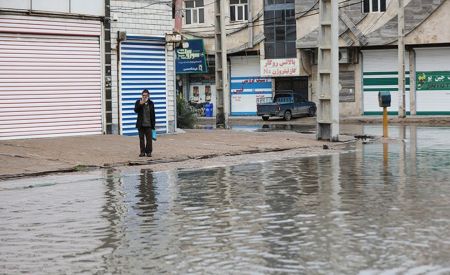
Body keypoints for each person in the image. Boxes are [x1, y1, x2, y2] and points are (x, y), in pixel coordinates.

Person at [134, 89, 156, 157]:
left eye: (146, 95)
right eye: (143, 95)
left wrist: (153, 125)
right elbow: (135, 110)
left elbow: (153, 114)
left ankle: (148, 152)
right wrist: (141, 104)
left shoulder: (151, 103)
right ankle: (142, 152)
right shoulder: (138, 102)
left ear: (148, 96)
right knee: (141, 139)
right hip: (141, 124)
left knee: (149, 140)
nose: (144, 97)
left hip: (149, 124)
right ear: (142, 95)